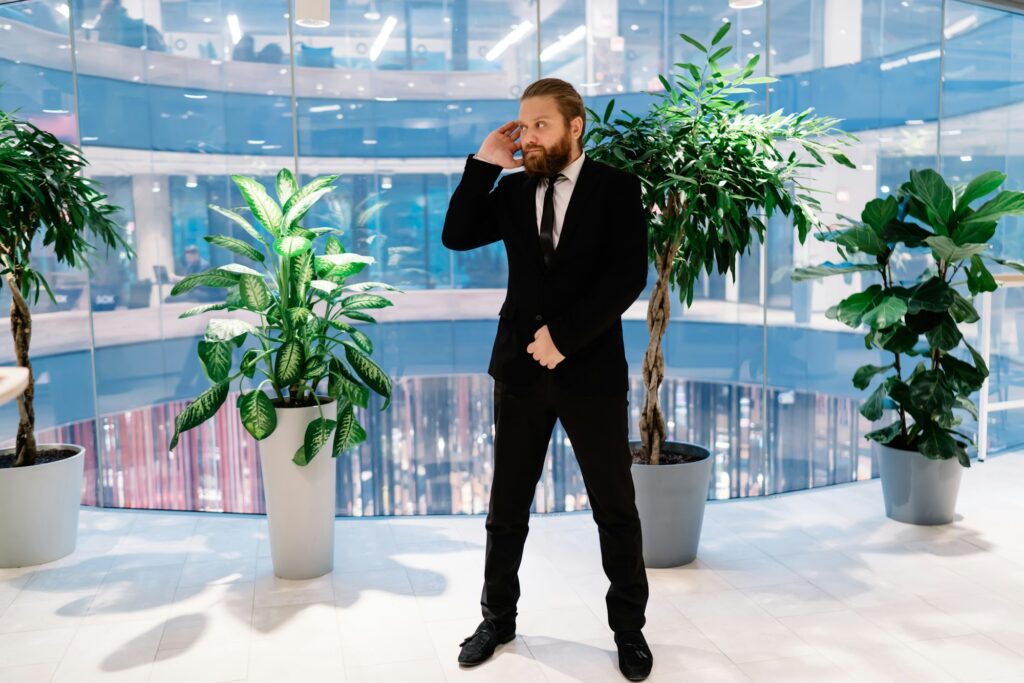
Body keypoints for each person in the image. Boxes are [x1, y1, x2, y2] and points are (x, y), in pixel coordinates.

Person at [441, 78, 652, 681]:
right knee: (507, 507)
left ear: (574, 126)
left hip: (590, 372)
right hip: (518, 372)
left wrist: (564, 338)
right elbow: (456, 234)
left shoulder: (616, 187)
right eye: (522, 126)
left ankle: (628, 631)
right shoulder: (509, 190)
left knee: (615, 509)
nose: (528, 137)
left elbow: (626, 277)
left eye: (540, 126)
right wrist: (485, 162)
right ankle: (497, 619)